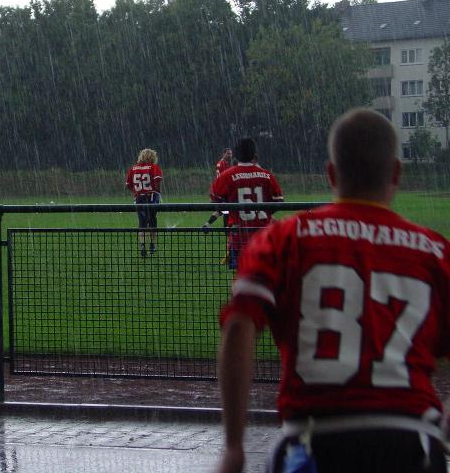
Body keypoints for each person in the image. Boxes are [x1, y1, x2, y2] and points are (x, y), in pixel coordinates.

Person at [216, 108, 450, 473]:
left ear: (331, 173)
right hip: (410, 443)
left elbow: (239, 327)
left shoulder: (285, 239)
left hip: (317, 438)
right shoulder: (435, 252)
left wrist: (233, 446)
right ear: (396, 173)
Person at [204, 138, 283, 268]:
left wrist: (233, 207)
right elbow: (279, 201)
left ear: (235, 156)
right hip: (263, 235)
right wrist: (265, 212)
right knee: (265, 273)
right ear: (255, 155)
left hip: (239, 237)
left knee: (242, 274)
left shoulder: (226, 176)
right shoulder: (267, 175)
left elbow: (216, 200)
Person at [125, 148, 163, 257]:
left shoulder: (133, 168)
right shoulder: (154, 167)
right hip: (151, 197)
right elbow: (157, 181)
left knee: (142, 223)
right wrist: (157, 193)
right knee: (152, 221)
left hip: (139, 198)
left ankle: (142, 245)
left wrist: (137, 191)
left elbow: (128, 185)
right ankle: (152, 245)